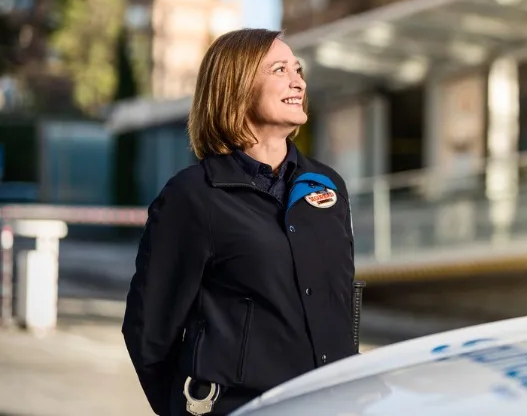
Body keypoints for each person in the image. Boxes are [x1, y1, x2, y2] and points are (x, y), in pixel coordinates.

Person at [122, 28, 357, 415]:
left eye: (298, 70)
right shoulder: (193, 196)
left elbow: (341, 303)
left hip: (331, 402)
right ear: (236, 86)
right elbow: (149, 331)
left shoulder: (327, 186)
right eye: (279, 69)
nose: (297, 80)